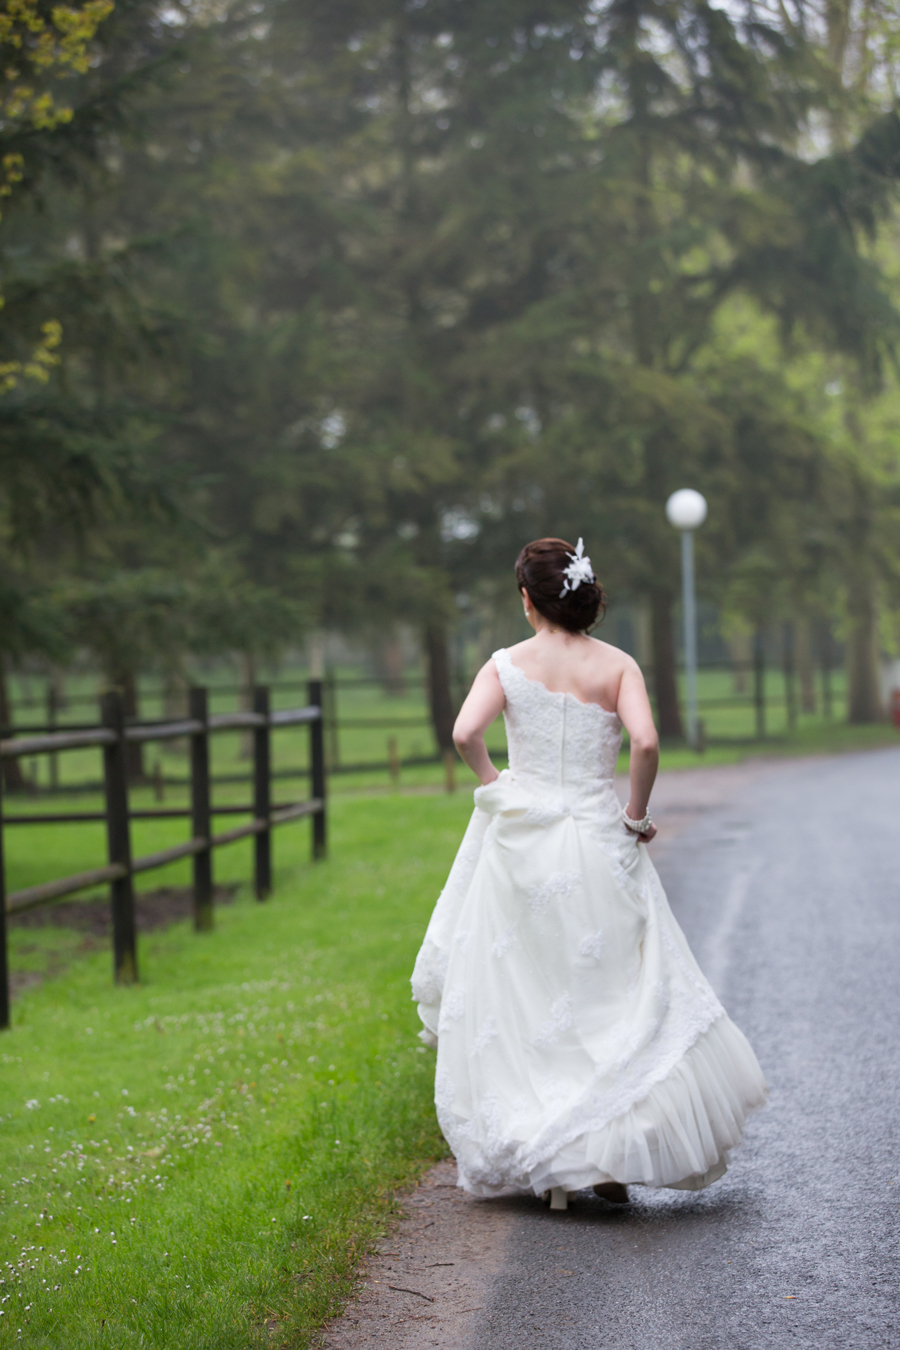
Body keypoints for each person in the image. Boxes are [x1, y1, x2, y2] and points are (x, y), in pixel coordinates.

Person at [411, 537, 766, 1211]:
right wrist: (634, 815)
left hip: (521, 837)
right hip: (598, 837)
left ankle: (551, 1144)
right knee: (607, 987)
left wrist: (498, 788)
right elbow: (648, 742)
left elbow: (464, 734)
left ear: (527, 599)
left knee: (529, 989)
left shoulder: (506, 665)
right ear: (582, 595)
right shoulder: (618, 665)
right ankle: (601, 1143)